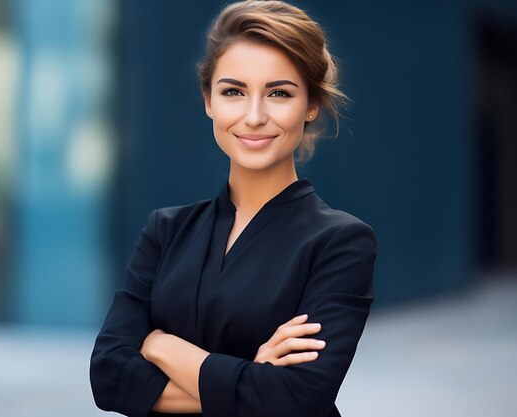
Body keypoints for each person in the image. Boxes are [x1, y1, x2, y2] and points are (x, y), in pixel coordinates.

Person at [89, 1, 377, 416]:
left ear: (311, 105)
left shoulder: (341, 242)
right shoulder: (165, 230)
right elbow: (107, 377)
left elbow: (296, 397)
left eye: (279, 93)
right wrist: (250, 376)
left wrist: (159, 345)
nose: (254, 115)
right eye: (233, 91)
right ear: (209, 101)